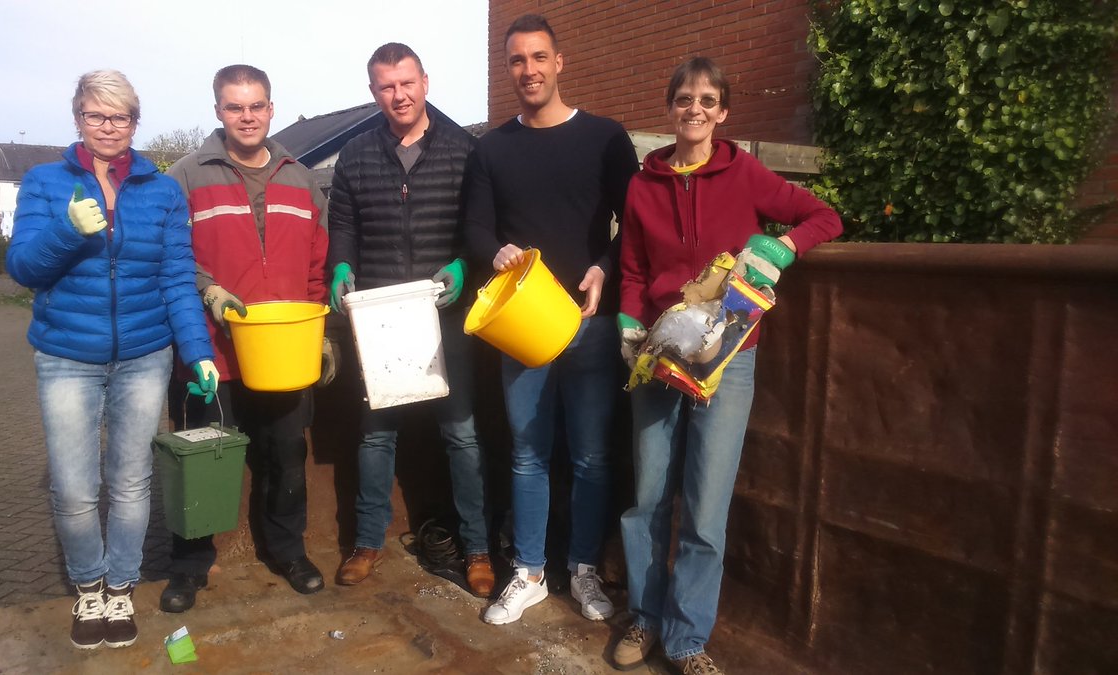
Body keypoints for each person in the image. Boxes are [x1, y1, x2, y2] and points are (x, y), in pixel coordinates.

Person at [613, 57, 843, 674]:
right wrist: (629, 321)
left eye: (707, 100)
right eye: (684, 98)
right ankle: (645, 617)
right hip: (660, 353)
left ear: (723, 113)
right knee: (647, 498)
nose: (695, 109)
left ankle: (686, 641)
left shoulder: (746, 173)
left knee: (706, 507)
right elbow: (632, 270)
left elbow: (825, 217)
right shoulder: (642, 186)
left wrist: (783, 246)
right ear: (669, 108)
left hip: (729, 358)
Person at [5, 69, 217, 649]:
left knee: (130, 482)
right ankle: (88, 587)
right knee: (75, 489)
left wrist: (198, 352)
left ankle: (120, 587)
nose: (107, 126)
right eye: (96, 115)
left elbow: (177, 279)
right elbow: (22, 268)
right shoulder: (45, 182)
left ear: (134, 122)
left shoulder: (162, 190)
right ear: (78, 117)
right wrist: (67, 231)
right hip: (67, 357)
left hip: (145, 356)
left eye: (119, 116)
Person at [463, 14, 640, 625]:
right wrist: (496, 252)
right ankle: (531, 572)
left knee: (591, 456)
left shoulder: (605, 138)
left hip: (590, 319)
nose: (529, 70)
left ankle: (584, 568)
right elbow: (476, 226)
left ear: (559, 62)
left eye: (539, 57)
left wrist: (604, 267)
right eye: (517, 60)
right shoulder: (491, 148)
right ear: (508, 68)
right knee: (527, 454)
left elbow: (635, 224)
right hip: (522, 326)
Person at [159, 64, 333, 614]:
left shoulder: (301, 180)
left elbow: (317, 270)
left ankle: (288, 551)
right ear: (218, 111)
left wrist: (320, 337)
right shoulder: (185, 177)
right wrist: (207, 288)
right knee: (202, 461)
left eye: (256, 105)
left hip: (283, 355)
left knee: (286, 455)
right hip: (211, 352)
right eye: (235, 107)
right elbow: (168, 258)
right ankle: (189, 564)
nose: (247, 116)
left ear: (271, 109)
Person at [327, 43, 495, 597]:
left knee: (462, 434)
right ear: (373, 92)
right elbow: (343, 224)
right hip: (381, 315)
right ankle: (366, 542)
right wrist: (342, 263)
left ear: (425, 81)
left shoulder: (466, 151)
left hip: (445, 312)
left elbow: (480, 229)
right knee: (376, 434)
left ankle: (477, 548)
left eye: (406, 83)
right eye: (386, 86)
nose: (398, 95)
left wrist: (465, 265)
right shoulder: (355, 155)